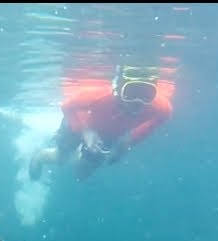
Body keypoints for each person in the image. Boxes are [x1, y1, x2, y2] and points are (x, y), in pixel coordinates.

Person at [29, 64, 173, 181]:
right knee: (61, 158)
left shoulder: (161, 107)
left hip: (107, 134)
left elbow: (162, 117)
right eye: (131, 93)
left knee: (82, 175)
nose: (137, 101)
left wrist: (129, 141)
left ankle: (82, 153)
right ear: (118, 89)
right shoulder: (100, 96)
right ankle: (40, 156)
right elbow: (67, 106)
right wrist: (85, 131)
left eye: (146, 95)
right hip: (78, 122)